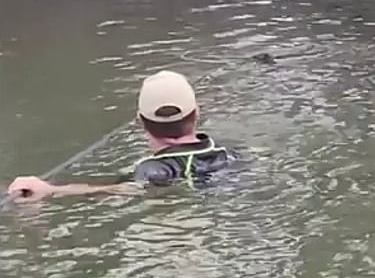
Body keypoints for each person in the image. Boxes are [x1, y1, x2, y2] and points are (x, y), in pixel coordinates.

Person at [7, 70, 232, 202]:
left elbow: (124, 189)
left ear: (139, 121)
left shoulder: (151, 169)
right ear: (197, 114)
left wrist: (50, 190)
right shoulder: (226, 152)